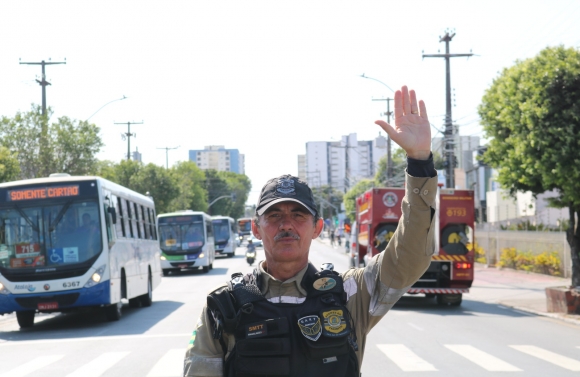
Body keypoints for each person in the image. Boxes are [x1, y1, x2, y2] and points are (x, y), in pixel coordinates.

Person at [183, 85, 437, 377]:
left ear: (317, 227)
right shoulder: (223, 307)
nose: (286, 224)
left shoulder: (350, 294)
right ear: (256, 228)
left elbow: (411, 256)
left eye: (298, 215)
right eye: (274, 215)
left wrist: (419, 163)